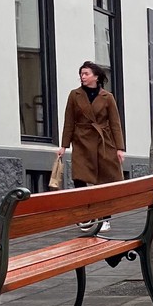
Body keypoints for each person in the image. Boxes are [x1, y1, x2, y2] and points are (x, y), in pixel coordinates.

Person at [59, 61, 126, 232]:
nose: (82, 76)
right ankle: (86, 216)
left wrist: (119, 148)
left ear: (96, 76)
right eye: (81, 74)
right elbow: (69, 122)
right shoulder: (74, 95)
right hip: (81, 141)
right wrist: (64, 146)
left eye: (86, 73)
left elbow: (115, 123)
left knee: (105, 182)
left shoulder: (107, 97)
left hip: (104, 143)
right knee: (79, 178)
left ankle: (105, 218)